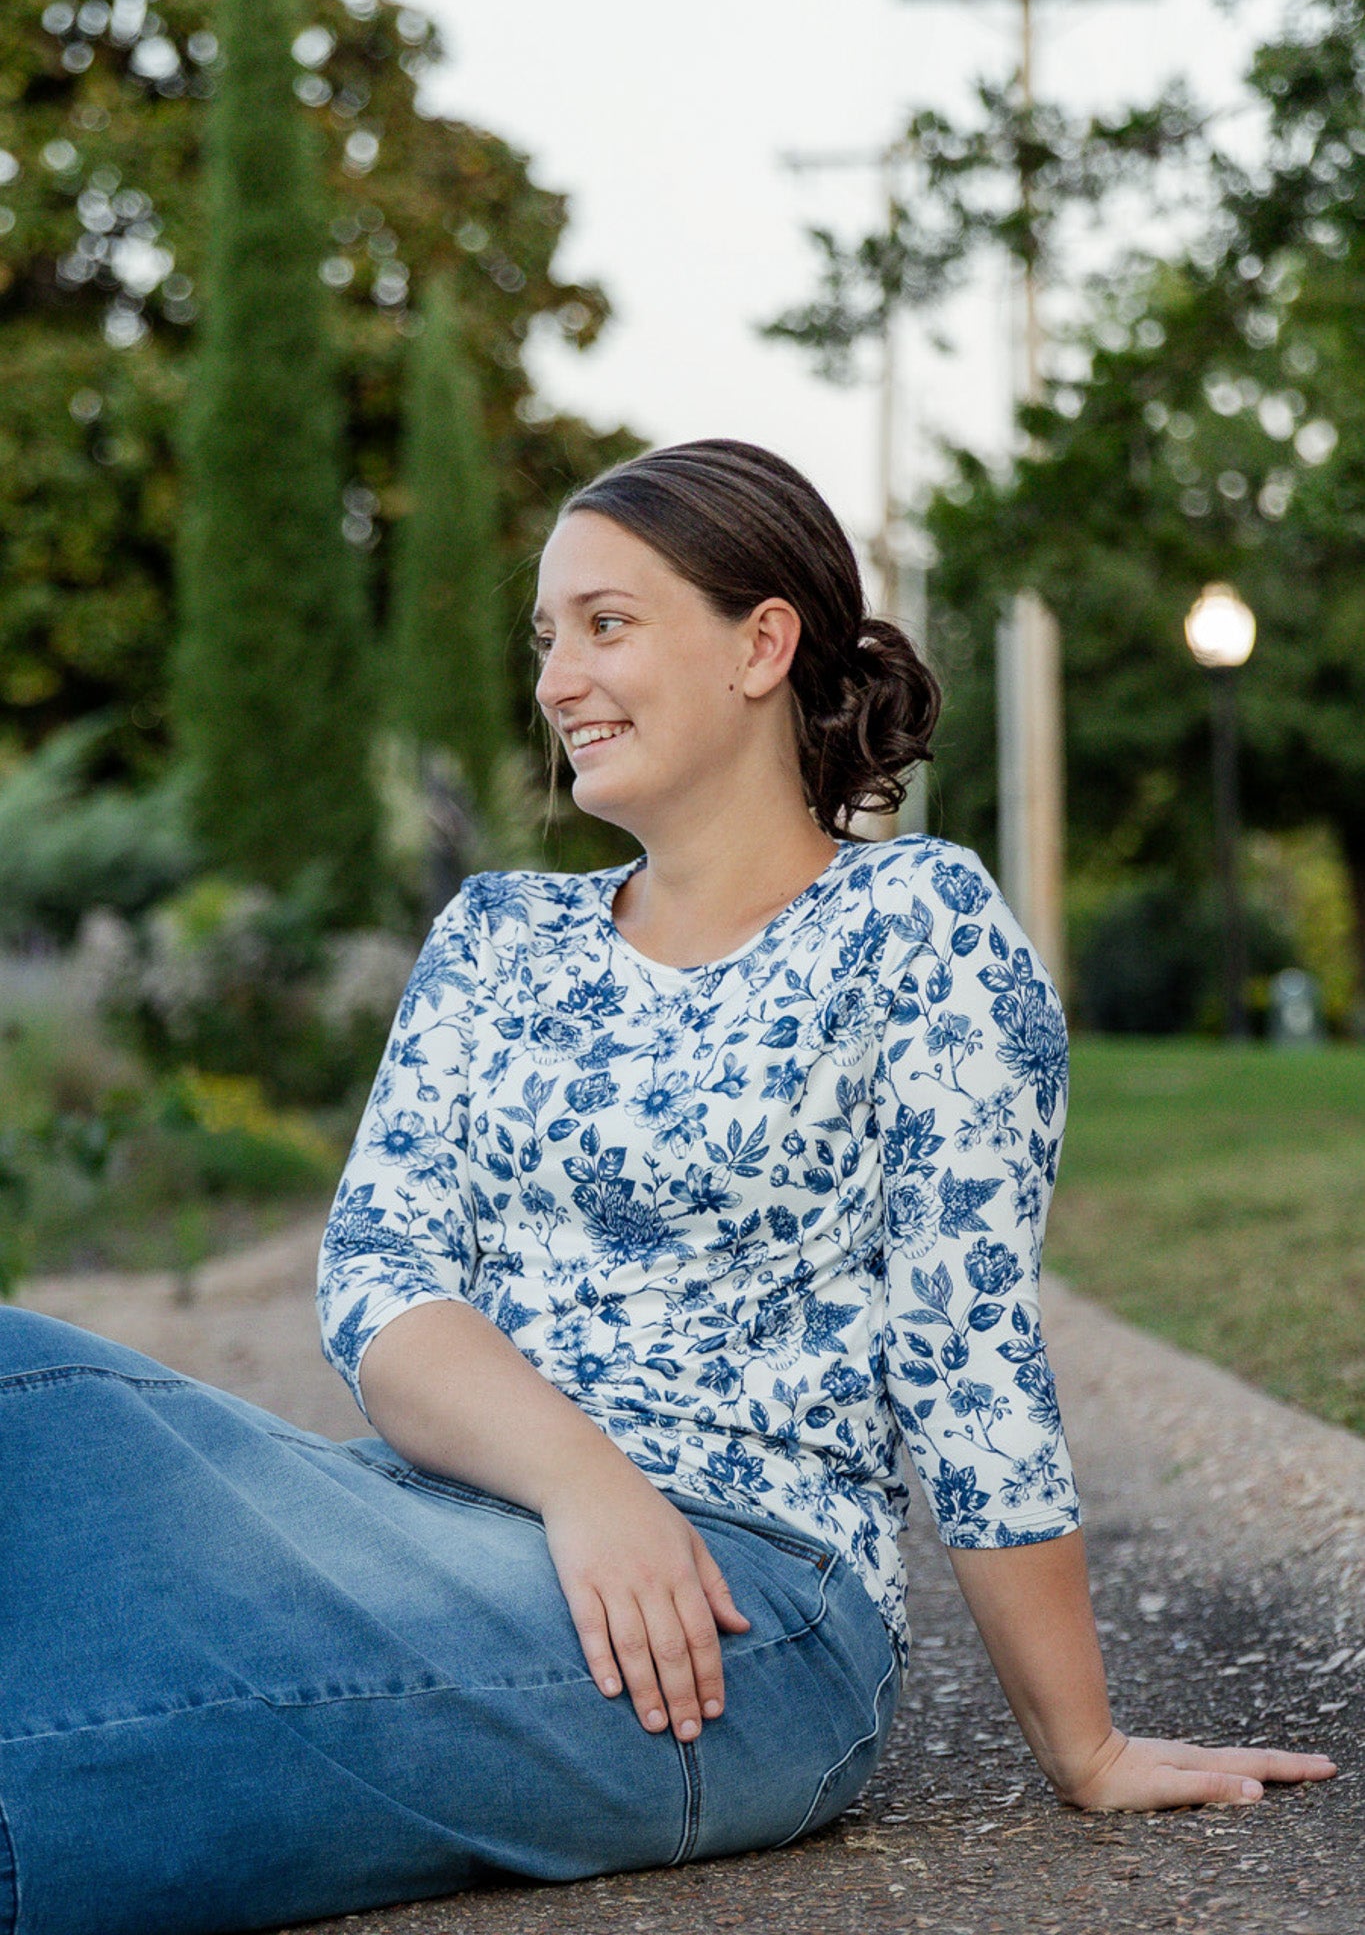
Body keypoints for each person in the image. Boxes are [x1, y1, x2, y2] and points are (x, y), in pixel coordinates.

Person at [0, 440, 1334, 1935]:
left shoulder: (915, 924)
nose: (560, 676)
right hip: (453, 1511)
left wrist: (1080, 1749)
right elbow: (380, 1276)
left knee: (97, 1735)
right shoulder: (498, 935)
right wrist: (586, 1488)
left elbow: (963, 1349)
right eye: (547, 636)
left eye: (607, 624)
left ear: (761, 644)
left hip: (739, 1604)